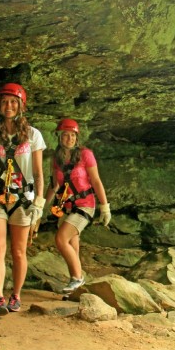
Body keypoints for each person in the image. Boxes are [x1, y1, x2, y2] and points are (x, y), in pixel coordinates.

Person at [0, 83, 45, 316]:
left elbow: (39, 172)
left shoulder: (33, 135)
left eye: (13, 102)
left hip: (23, 198)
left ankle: (17, 295)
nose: (8, 106)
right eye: (4, 102)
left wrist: (39, 202)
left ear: (21, 105)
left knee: (19, 251)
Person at [42, 118, 111, 294]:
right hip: (67, 207)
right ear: (59, 137)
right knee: (72, 246)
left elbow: (96, 180)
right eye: (66, 135)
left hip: (85, 205)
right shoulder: (56, 159)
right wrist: (40, 205)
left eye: (73, 135)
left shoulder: (85, 154)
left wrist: (104, 206)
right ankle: (76, 288)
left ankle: (77, 278)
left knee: (61, 239)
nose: (69, 138)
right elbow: (54, 185)